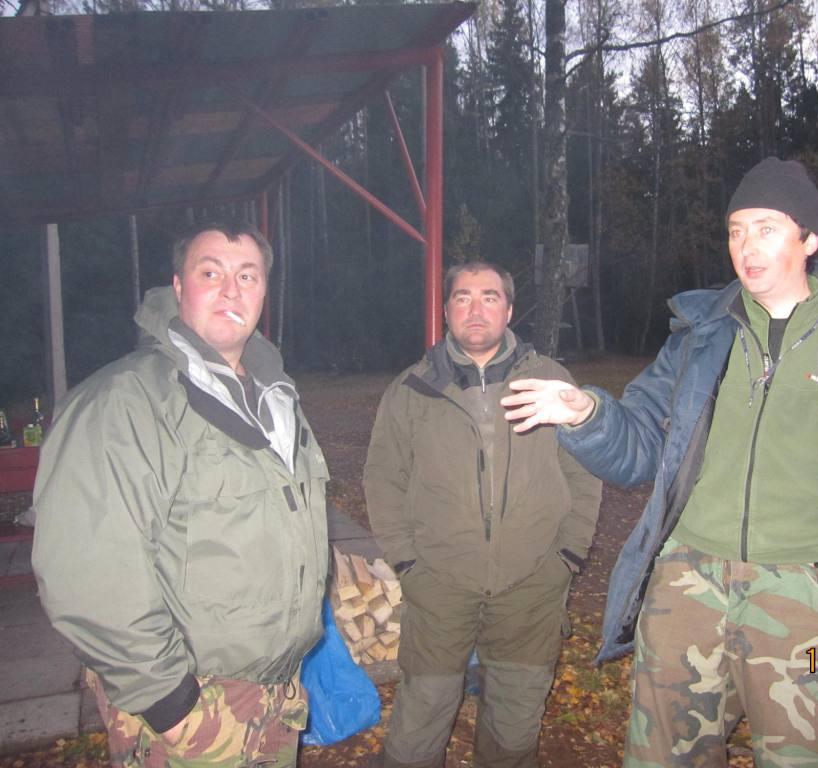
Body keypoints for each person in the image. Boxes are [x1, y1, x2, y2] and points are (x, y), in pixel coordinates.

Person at [500, 157, 818, 767]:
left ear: (809, 239)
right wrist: (588, 414)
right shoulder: (697, 341)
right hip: (687, 589)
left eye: (766, 228)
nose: (746, 246)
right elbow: (640, 447)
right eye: (736, 230)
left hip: (810, 595)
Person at [30, 222, 330, 767]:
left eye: (248, 276)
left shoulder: (277, 399)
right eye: (210, 273)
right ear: (177, 286)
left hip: (275, 690)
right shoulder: (124, 401)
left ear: (265, 291)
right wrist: (172, 704)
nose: (232, 290)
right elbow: (88, 573)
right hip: (193, 702)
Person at [364, 261, 602, 768]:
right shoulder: (412, 389)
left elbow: (584, 470)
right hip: (439, 581)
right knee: (422, 712)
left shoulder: (549, 380)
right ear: (446, 310)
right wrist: (407, 562)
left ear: (509, 310)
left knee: (516, 716)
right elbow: (383, 478)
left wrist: (567, 554)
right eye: (463, 297)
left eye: (489, 297)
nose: (476, 309)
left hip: (532, 583)